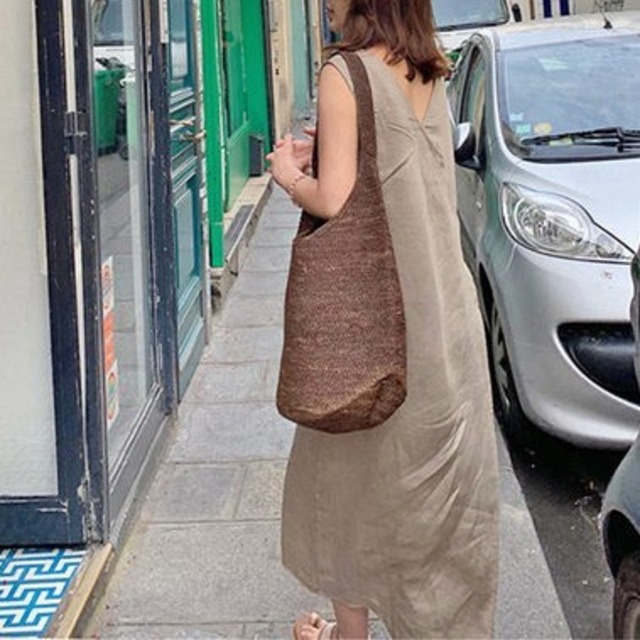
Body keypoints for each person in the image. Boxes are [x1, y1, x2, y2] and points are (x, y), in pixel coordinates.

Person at [266, 1, 499, 638]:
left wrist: (287, 175)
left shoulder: (344, 72)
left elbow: (334, 198)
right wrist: (333, 148)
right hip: (445, 320)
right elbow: (392, 164)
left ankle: (350, 633)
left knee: (349, 482)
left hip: (375, 327)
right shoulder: (431, 68)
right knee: (434, 496)